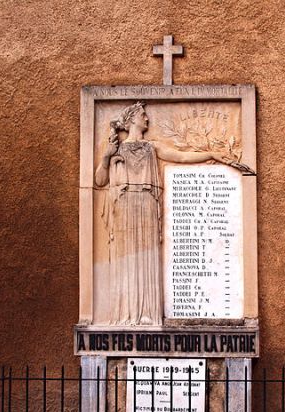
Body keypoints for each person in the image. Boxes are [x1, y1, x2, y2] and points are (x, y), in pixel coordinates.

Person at [95, 101, 249, 325]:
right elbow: (100, 181)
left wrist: (212, 154)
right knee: (126, 260)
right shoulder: (116, 149)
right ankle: (126, 316)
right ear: (130, 121)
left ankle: (147, 313)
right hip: (124, 208)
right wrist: (106, 157)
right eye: (142, 115)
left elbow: (182, 157)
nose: (147, 118)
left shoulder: (152, 147)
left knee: (146, 259)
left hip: (147, 205)